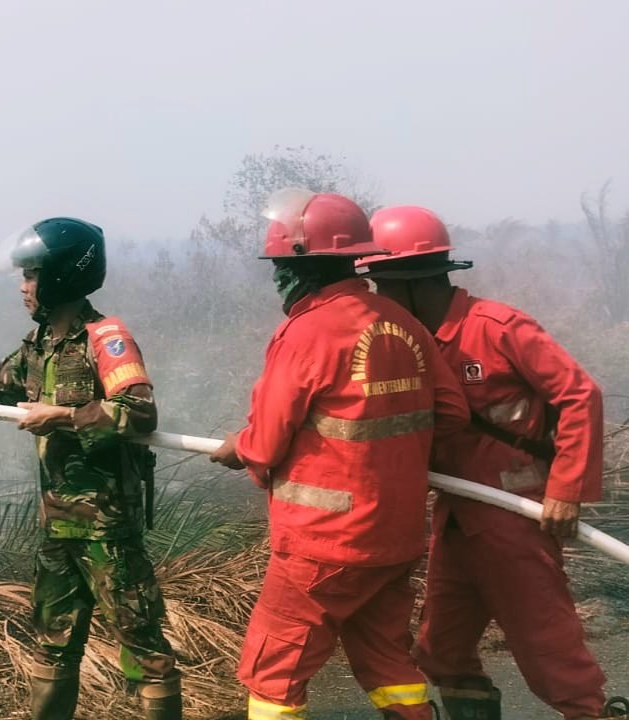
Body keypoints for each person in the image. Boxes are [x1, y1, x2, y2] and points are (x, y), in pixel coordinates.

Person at [0, 217, 180, 720]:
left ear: (62, 276)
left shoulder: (106, 340)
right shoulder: (37, 346)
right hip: (58, 528)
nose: (23, 287)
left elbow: (139, 412)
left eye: (32, 275)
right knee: (53, 645)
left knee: (145, 650)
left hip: (108, 530)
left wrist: (61, 416)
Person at [210, 189, 470, 720]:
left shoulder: (306, 332)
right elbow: (452, 414)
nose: (277, 278)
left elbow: (263, 443)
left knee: (273, 674)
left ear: (306, 268)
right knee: (388, 664)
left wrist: (238, 448)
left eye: (282, 266)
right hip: (394, 538)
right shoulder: (402, 324)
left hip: (323, 544)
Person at [360, 205, 627, 720]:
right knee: (443, 650)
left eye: (382, 286)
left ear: (414, 282)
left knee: (550, 652)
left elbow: (579, 395)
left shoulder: (499, 328)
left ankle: (591, 714)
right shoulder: (405, 344)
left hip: (515, 514)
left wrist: (565, 490)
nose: (378, 299)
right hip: (458, 515)